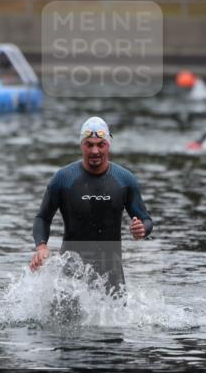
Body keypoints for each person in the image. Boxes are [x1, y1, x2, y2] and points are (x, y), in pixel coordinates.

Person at [30, 116, 154, 296]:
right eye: (89, 144)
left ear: (108, 145)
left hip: (111, 272)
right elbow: (42, 217)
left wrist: (142, 229)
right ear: (81, 145)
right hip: (72, 271)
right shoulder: (63, 179)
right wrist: (41, 246)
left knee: (117, 324)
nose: (95, 150)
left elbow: (147, 220)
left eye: (100, 144)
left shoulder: (124, 180)